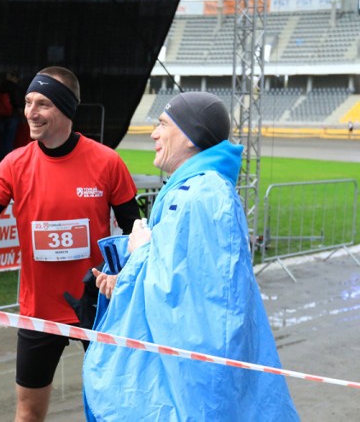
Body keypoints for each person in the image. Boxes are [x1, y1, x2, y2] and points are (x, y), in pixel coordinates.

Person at [0, 66, 141, 421]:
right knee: (28, 412)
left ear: (66, 108)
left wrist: (120, 281)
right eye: (27, 102)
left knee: (113, 407)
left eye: (42, 103)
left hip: (97, 309)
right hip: (39, 312)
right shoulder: (15, 164)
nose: (30, 112)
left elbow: (136, 235)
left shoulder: (107, 162)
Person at [82, 92, 299, 421]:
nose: (154, 134)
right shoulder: (192, 191)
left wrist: (140, 253)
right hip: (182, 379)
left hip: (195, 386)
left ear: (190, 136)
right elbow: (183, 285)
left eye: (163, 124)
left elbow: (197, 309)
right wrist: (124, 279)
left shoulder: (203, 196)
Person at [0, 70, 23, 162]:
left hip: (1, 114)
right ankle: (7, 160)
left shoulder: (0, 87)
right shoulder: (14, 87)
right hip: (12, 115)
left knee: (2, 138)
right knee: (9, 138)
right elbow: (16, 100)